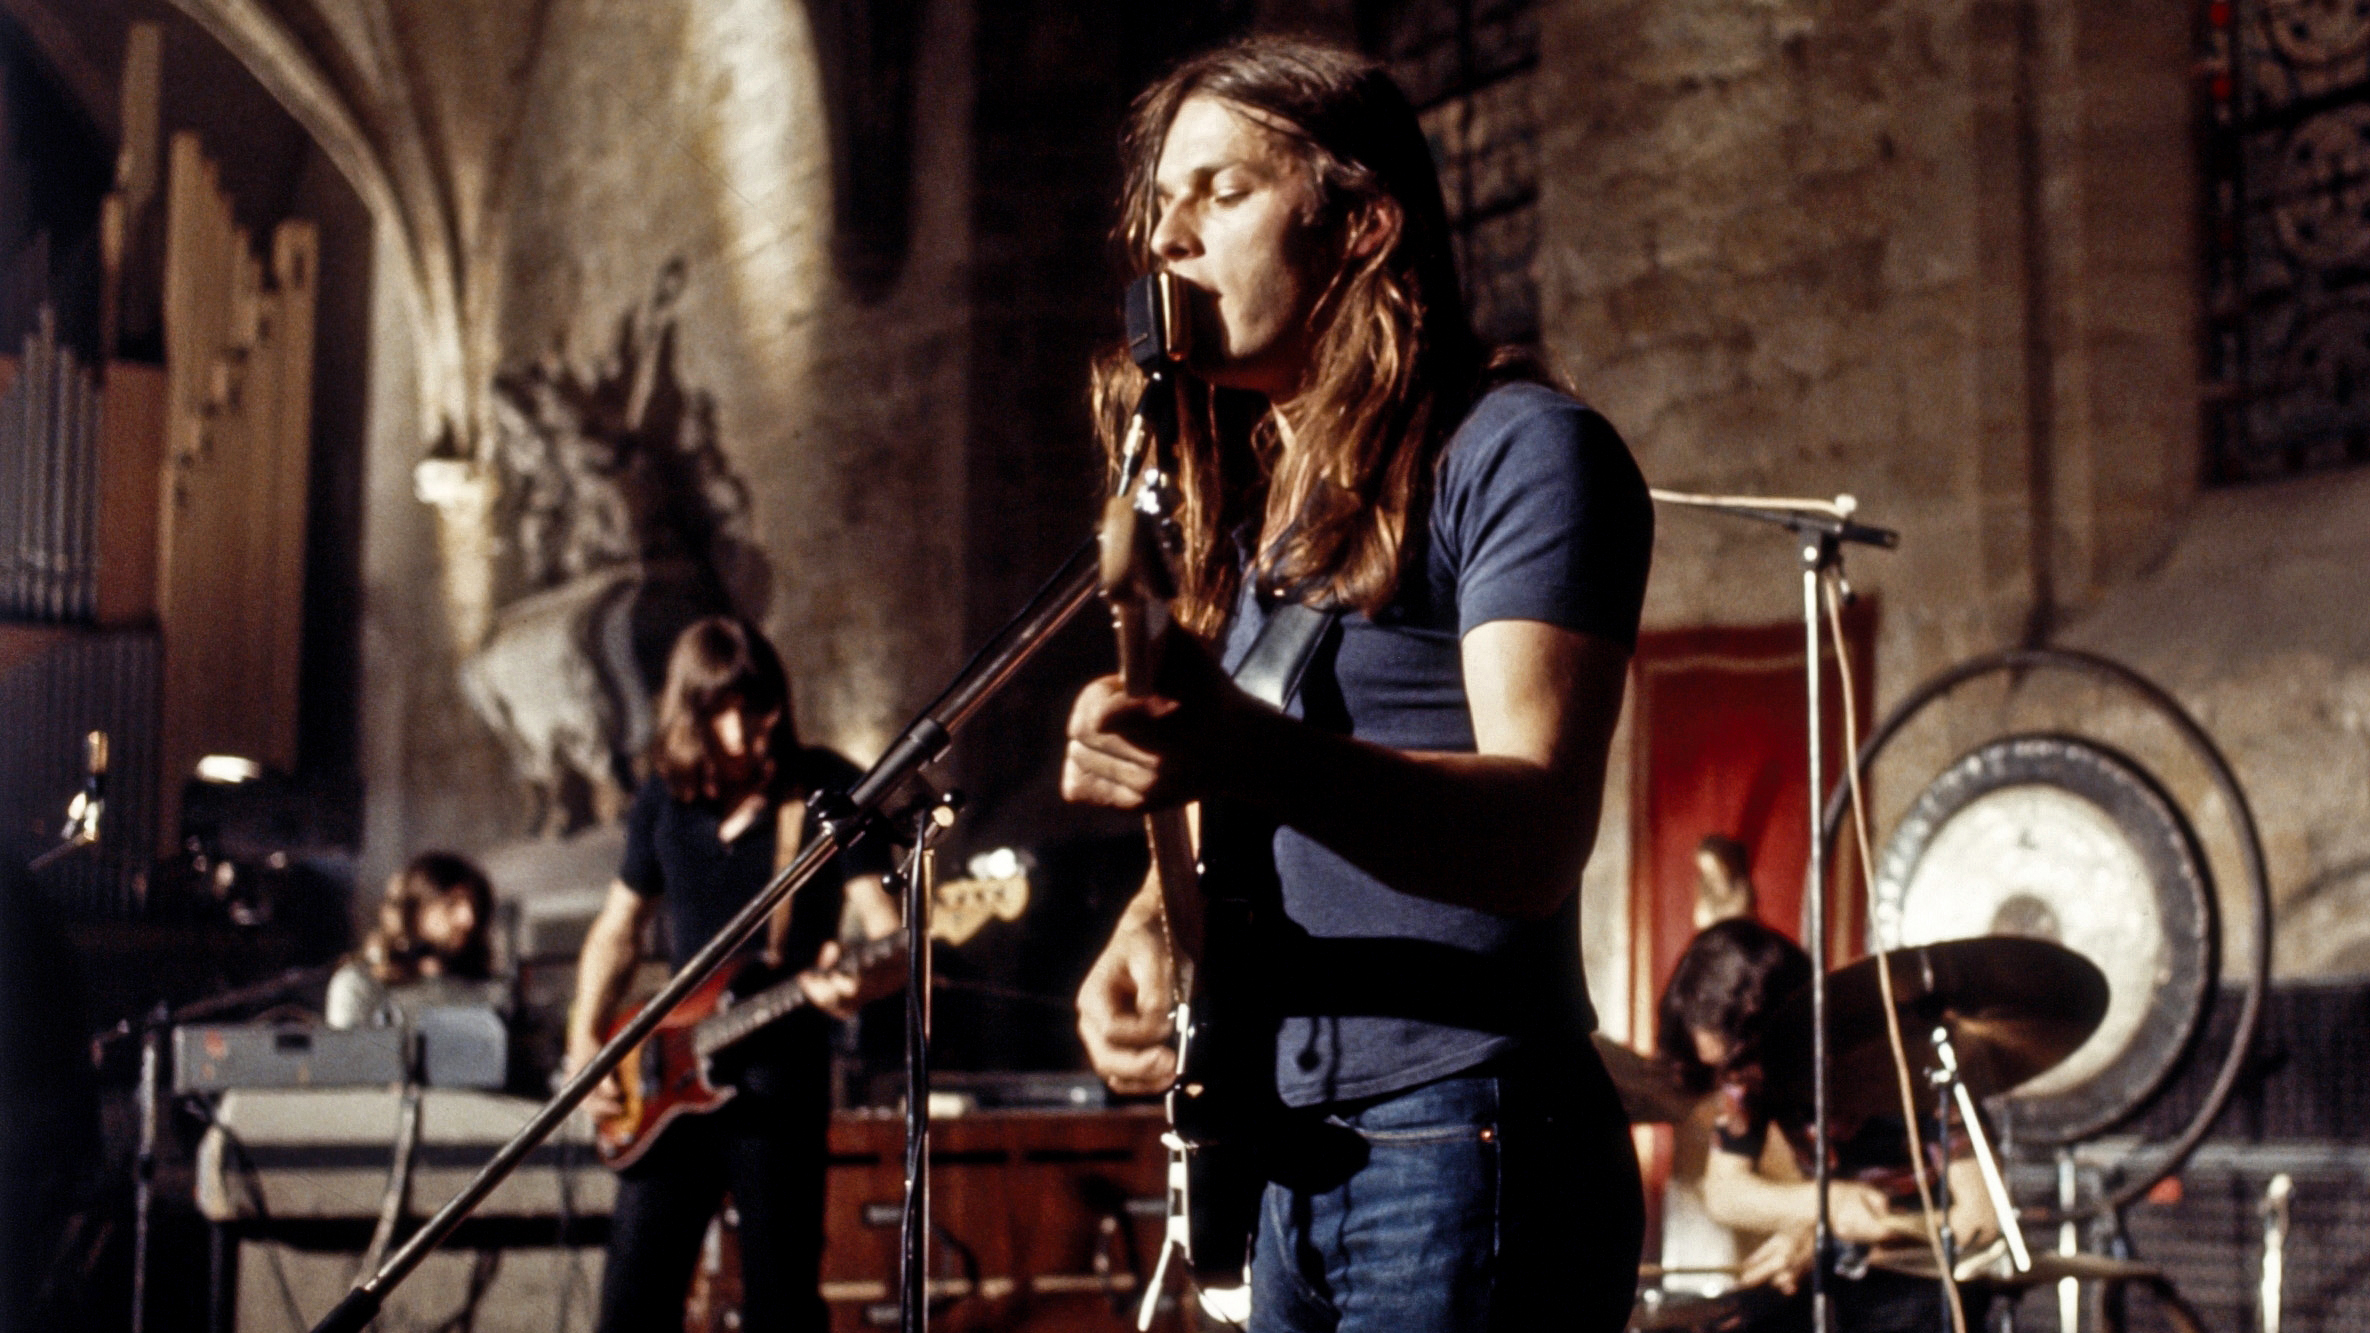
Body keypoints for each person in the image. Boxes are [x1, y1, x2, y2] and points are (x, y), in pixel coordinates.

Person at [1061, 37, 1653, 1332]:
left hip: (1467, 1132)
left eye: (1220, 192)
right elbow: (1247, 797)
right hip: (1294, 1148)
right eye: (1160, 204)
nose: (1167, 238)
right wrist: (1151, 926)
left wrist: (1237, 750)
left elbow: (1537, 834)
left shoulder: (1519, 449)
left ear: (1361, 225)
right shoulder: (1270, 512)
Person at [563, 616, 901, 1333]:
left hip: (779, 1082)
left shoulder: (827, 787)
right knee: (630, 1307)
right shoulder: (663, 797)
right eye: (723, 713)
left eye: (759, 710)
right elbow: (617, 929)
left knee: (781, 1307)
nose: (746, 733)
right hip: (668, 1075)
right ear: (690, 715)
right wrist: (584, 1042)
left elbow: (891, 938)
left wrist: (858, 983)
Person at [1657, 918, 1998, 1332]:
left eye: (1741, 1064)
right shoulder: (1747, 1075)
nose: (1736, 1083)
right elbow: (1724, 1192)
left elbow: (1981, 1218)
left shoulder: (1911, 1055)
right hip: (1844, 1266)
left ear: (1788, 1024)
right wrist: (1825, 1208)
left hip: (1926, 1274)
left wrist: (1856, 1232)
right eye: (1722, 1070)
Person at [325, 852, 501, 1028]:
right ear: (414, 911)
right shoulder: (363, 986)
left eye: (475, 906)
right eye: (451, 904)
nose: (468, 919)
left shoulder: (488, 992)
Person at [1693, 833, 1758, 930]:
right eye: (1705, 871)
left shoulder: (1741, 889)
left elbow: (1738, 916)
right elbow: (1701, 920)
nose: (1710, 876)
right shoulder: (1705, 890)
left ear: (1726, 865)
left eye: (1714, 869)